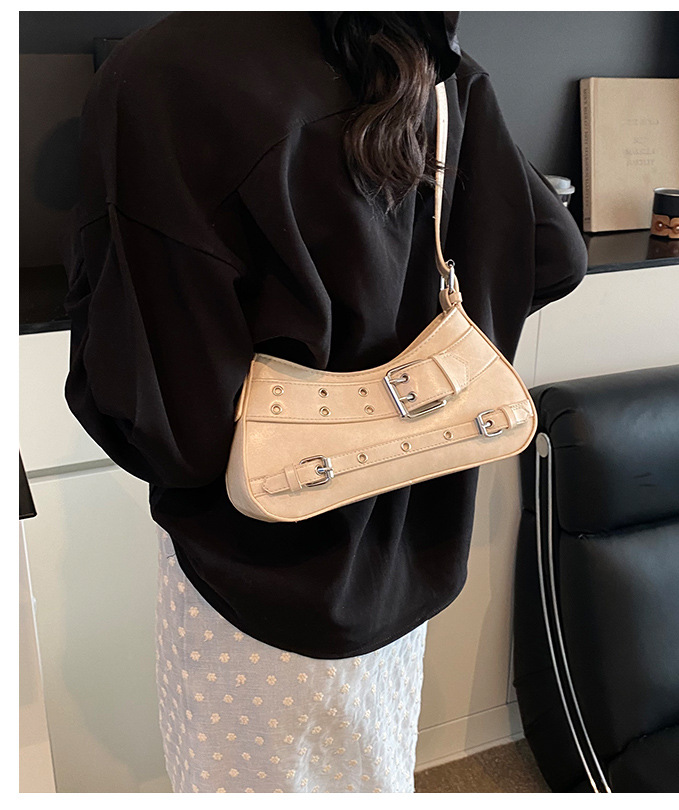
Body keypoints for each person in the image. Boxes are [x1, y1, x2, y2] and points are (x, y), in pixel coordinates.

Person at [61, 11, 588, 793]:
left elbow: (173, 429)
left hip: (253, 580)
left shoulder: (164, 76)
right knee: (374, 775)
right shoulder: (425, 54)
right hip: (409, 544)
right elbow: (555, 253)